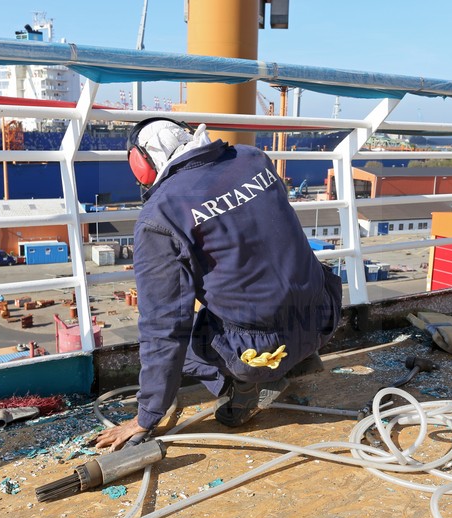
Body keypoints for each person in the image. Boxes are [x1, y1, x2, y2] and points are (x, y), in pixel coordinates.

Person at [93, 118, 342, 450]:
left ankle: (246, 390)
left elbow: (163, 325)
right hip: (323, 316)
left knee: (189, 349)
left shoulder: (162, 214)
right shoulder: (253, 158)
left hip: (260, 351)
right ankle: (299, 360)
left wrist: (146, 417)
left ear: (141, 163)